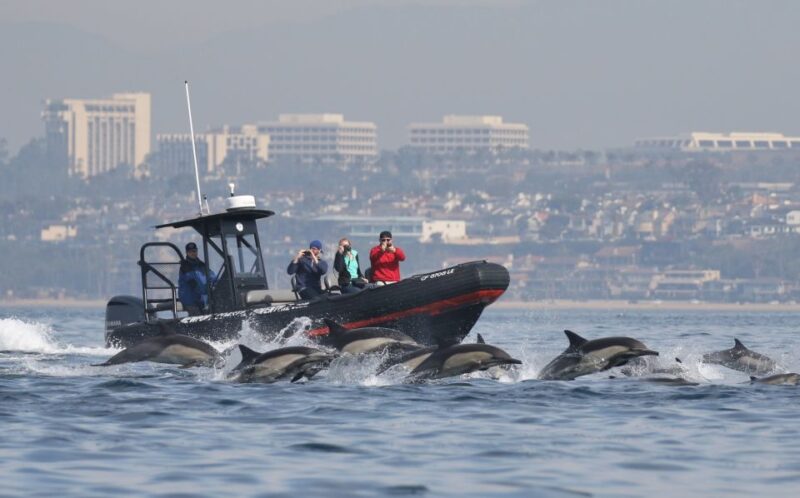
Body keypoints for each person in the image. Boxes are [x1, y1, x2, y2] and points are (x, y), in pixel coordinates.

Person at [178, 242, 215, 315]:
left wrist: (217, 285)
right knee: (198, 319)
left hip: (200, 300)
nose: (193, 253)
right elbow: (193, 283)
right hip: (190, 301)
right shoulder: (185, 267)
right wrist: (206, 291)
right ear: (187, 253)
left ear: (197, 251)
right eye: (190, 252)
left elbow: (213, 277)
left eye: (194, 251)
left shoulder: (202, 265)